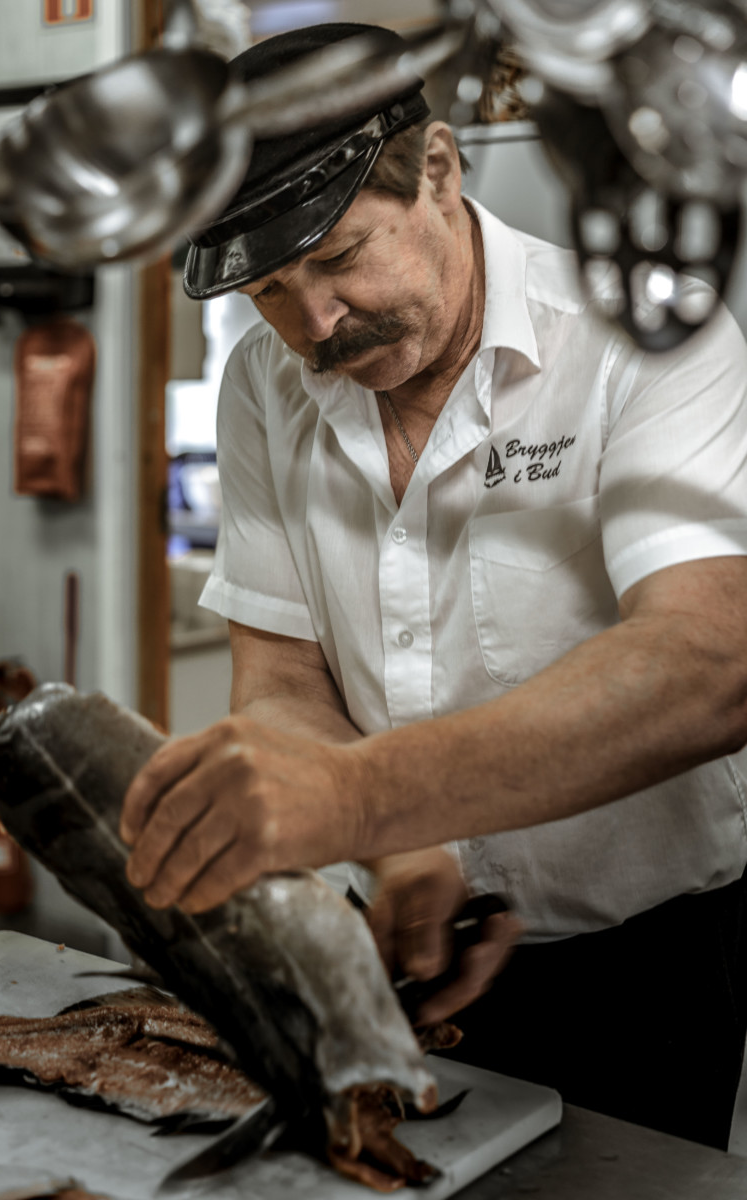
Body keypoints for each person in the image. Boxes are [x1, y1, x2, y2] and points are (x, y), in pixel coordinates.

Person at [119, 23, 747, 1149]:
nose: (312, 325)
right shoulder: (267, 383)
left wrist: (369, 801)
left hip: (639, 970)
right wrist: (406, 846)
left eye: (338, 257)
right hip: (400, 941)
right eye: (266, 290)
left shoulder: (637, 334)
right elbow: (279, 677)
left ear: (440, 172)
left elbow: (707, 661)